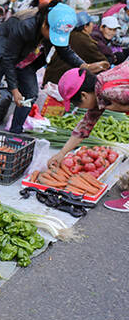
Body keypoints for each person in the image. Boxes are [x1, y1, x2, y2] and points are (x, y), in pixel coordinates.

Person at [0, 0, 108, 137]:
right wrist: (14, 90)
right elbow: (8, 59)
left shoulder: (55, 26)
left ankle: (15, 132)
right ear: (45, 25)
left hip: (25, 59)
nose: (54, 39)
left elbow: (65, 51)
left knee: (30, 95)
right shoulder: (24, 25)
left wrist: (85, 66)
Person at [48, 65, 129, 212]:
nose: (80, 107)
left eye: (76, 103)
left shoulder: (110, 92)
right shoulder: (100, 89)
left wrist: (122, 109)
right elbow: (84, 127)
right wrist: (61, 153)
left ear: (84, 95)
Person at [43, 11, 107, 86]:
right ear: (85, 27)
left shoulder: (68, 35)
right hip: (60, 84)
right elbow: (103, 61)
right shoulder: (84, 40)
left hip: (50, 80)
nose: (93, 25)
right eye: (91, 23)